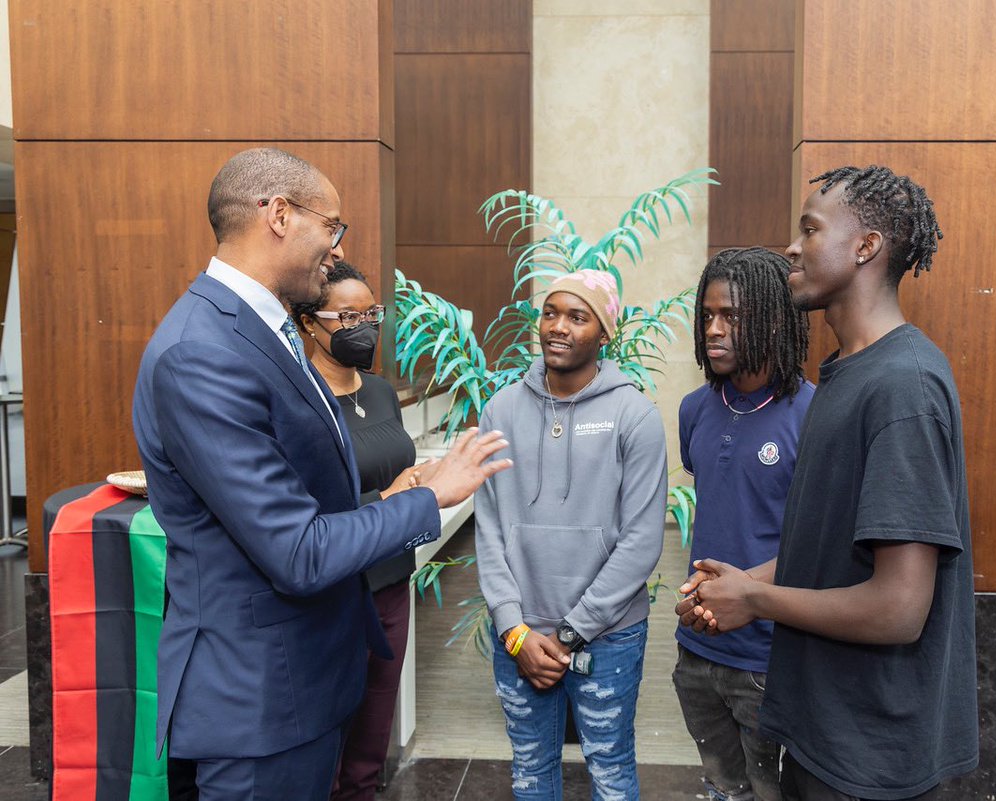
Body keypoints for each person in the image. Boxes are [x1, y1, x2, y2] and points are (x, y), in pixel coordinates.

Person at [132, 147, 511, 801]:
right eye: (331, 227)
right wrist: (430, 496)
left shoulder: (264, 331)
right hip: (257, 702)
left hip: (301, 682)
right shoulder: (203, 351)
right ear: (278, 214)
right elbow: (296, 550)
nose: (335, 250)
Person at [678, 165, 977, 800]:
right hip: (823, 725)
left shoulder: (904, 386)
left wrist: (754, 601)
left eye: (810, 229)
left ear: (866, 246)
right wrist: (738, 583)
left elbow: (898, 609)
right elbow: (834, 554)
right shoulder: (850, 374)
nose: (792, 246)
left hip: (870, 753)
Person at [475, 269, 668, 800]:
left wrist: (567, 635)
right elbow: (488, 529)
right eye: (550, 312)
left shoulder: (635, 416)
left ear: (604, 332)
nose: (558, 327)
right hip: (520, 635)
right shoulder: (499, 411)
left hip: (609, 637)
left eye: (577, 317)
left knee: (610, 772)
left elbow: (641, 543)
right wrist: (514, 631)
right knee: (530, 773)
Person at [673, 247, 814, 801]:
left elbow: (824, 549)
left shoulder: (814, 416)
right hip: (697, 652)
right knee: (723, 790)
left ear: (775, 319)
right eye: (707, 315)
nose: (714, 329)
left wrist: (747, 590)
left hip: (770, 659)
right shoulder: (693, 409)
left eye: (731, 316)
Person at [290, 260, 420, 800]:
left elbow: (393, 472)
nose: (363, 326)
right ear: (308, 324)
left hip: (390, 581)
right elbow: (303, 509)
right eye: (346, 316)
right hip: (335, 589)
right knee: (326, 745)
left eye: (371, 313)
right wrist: (388, 500)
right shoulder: (298, 399)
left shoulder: (382, 391)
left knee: (370, 746)